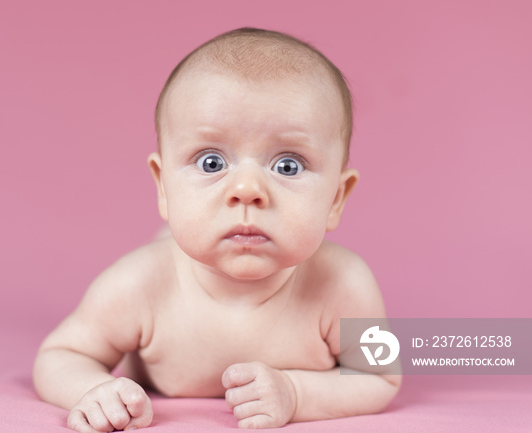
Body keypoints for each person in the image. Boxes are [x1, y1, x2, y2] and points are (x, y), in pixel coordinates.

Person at [33, 27, 401, 432]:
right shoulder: (142, 283)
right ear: (163, 186)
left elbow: (379, 376)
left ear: (335, 198)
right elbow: (61, 354)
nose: (247, 191)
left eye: (288, 165)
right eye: (211, 162)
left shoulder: (343, 284)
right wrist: (95, 389)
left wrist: (296, 393)